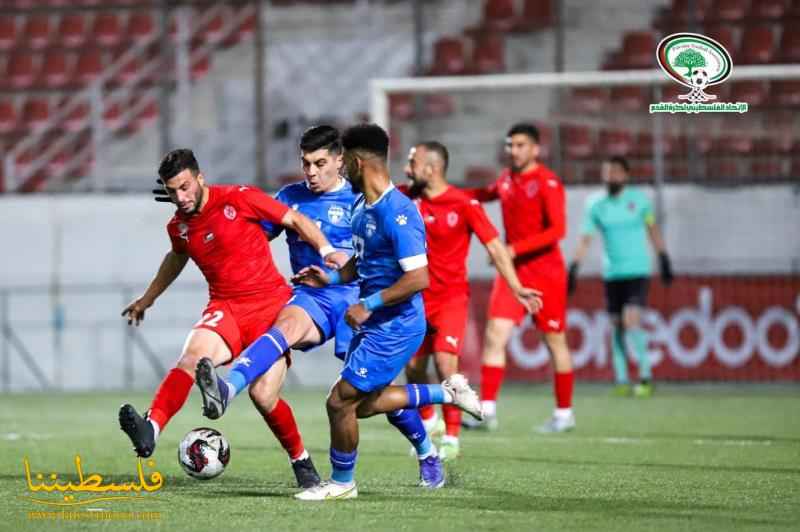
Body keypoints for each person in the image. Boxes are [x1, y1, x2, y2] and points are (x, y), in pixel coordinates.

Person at [119, 149, 347, 490]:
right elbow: (176, 257)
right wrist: (148, 298)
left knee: (264, 395)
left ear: (200, 177)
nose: (180, 197)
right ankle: (151, 427)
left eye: (185, 187)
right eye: (172, 192)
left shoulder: (240, 198)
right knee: (192, 357)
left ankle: (300, 460)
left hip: (272, 307)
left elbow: (296, 220)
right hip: (225, 307)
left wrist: (328, 251)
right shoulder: (178, 226)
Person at [291, 124, 483, 500]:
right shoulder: (362, 206)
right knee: (365, 403)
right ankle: (441, 412)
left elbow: (419, 278)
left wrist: (369, 304)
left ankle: (342, 483)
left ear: (358, 161)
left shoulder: (399, 213)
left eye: (344, 161)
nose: (340, 169)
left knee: (340, 402)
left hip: (396, 325)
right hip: (374, 323)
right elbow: (361, 263)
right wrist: (329, 278)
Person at [399, 141, 542, 460]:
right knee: (412, 368)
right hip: (414, 300)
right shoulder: (404, 197)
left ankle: (451, 436)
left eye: (413, 163)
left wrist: (516, 287)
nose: (407, 170)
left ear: (431, 169)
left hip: (450, 298)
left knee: (446, 363)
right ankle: (429, 419)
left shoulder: (463, 204)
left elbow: (494, 246)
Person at [463, 123, 576, 433]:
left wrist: (512, 249)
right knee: (495, 336)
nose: (514, 151)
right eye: (510, 145)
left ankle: (564, 414)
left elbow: (557, 231)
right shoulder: (506, 179)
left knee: (555, 342)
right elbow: (484, 194)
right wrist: (448, 193)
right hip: (512, 274)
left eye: (521, 145)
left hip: (546, 274)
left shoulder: (547, 182)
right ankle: (486, 411)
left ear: (536, 149)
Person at [568, 155, 673, 397]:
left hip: (637, 271)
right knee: (616, 326)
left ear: (626, 175)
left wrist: (664, 256)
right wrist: (574, 266)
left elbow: (652, 228)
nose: (610, 177)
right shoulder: (595, 204)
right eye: (607, 172)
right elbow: (586, 237)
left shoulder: (639, 201)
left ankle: (646, 376)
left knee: (631, 320)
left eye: (615, 172)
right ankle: (622, 379)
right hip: (612, 273)